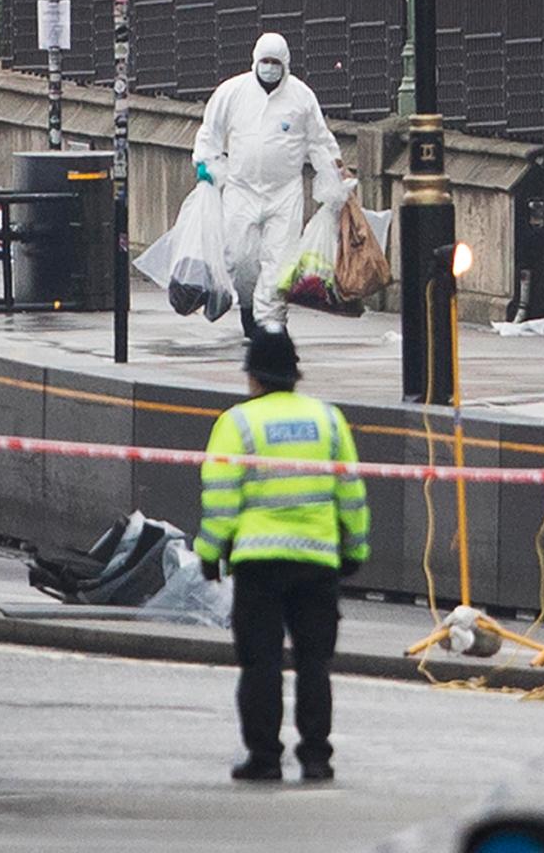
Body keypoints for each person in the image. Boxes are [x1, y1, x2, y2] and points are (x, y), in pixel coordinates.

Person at [193, 324, 371, 782]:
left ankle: (265, 759)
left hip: (259, 563)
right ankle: (316, 758)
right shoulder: (329, 420)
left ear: (253, 376)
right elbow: (349, 492)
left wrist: (210, 551)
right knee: (315, 664)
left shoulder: (237, 424)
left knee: (261, 664)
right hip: (317, 563)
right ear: (295, 375)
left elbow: (221, 496)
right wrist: (354, 547)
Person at [192, 32, 343, 338]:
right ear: (255, 61)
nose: (270, 68)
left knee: (280, 262)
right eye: (265, 62)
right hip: (240, 188)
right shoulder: (232, 93)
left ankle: (272, 323)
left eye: (275, 63)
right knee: (240, 258)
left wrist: (333, 174)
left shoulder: (301, 98)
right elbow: (211, 131)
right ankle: (249, 307)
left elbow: (319, 141)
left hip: (284, 192)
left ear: (285, 64)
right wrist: (206, 163)